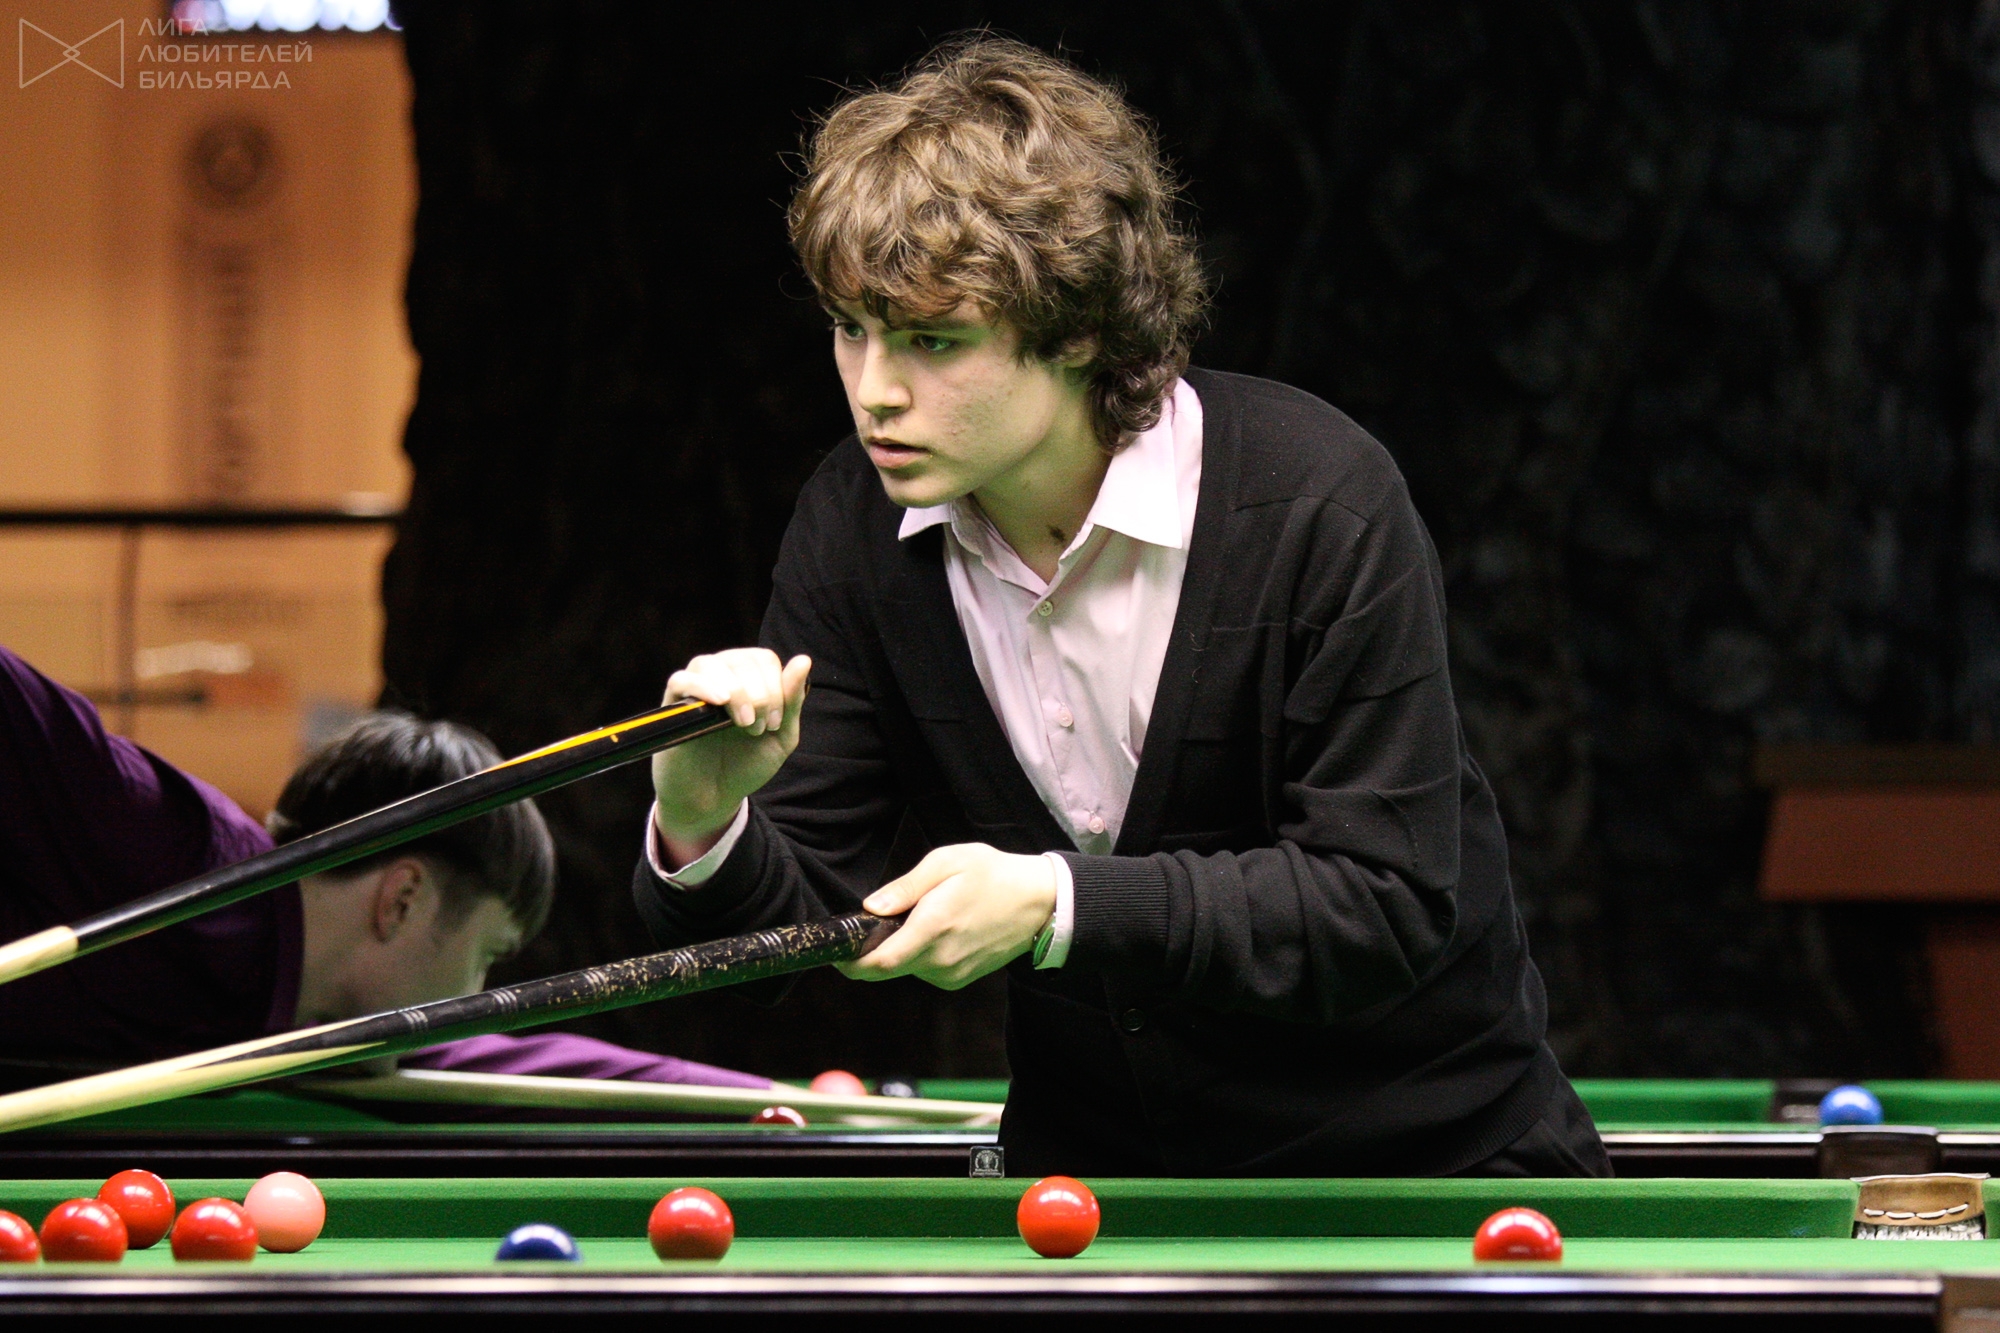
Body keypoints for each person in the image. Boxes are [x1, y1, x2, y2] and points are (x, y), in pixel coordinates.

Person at [634, 37, 1610, 1177]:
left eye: (934, 341)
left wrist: (1059, 903)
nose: (874, 392)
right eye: (853, 329)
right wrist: (704, 818)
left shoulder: (1319, 503)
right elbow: (794, 940)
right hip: (1094, 1200)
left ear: (1080, 329)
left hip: (1435, 1175)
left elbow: (1382, 902)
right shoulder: (854, 530)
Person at [0, 644, 768, 1092]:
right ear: (402, 899)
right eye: (487, 954)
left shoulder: (329, 1016)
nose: (478, 993)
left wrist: (769, 1094)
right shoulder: (173, 846)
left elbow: (528, 1063)